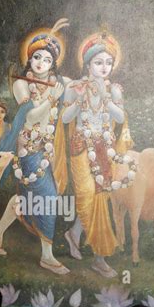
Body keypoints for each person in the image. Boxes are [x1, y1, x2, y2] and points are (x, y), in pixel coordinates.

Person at [0, 19, 71, 275]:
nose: (41, 63)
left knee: (26, 200)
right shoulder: (21, 83)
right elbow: (31, 117)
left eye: (47, 59)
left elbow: (71, 94)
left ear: (53, 64)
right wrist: (52, 99)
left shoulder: (56, 83)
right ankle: (47, 256)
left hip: (46, 151)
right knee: (47, 197)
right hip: (27, 151)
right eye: (37, 57)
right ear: (29, 58)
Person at [62, 31, 134, 278]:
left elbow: (120, 118)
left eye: (108, 63)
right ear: (88, 64)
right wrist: (78, 100)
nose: (104, 67)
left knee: (100, 200)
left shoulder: (114, 89)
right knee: (87, 195)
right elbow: (65, 119)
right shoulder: (74, 87)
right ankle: (78, 237)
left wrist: (106, 97)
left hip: (103, 147)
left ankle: (97, 256)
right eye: (98, 62)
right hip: (81, 147)